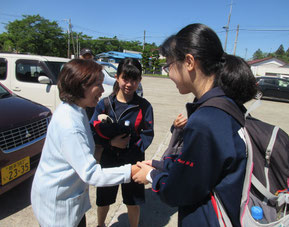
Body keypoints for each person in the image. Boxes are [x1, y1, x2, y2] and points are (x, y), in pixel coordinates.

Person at [132, 23, 257, 227]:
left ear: (189, 62)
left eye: (169, 65)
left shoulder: (206, 120)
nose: (169, 74)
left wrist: (151, 175)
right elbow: (201, 167)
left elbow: (179, 191)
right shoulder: (226, 106)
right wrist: (158, 164)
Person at [31, 59, 139, 227]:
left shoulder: (77, 109)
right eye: (99, 84)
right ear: (81, 85)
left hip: (70, 196)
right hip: (57, 206)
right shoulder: (70, 124)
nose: (103, 90)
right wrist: (131, 171)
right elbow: (91, 174)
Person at [90, 58, 154, 227]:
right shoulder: (104, 104)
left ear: (140, 80)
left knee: (132, 200)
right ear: (117, 77)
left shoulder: (144, 106)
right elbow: (92, 130)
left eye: (134, 79)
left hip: (133, 161)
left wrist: (131, 149)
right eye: (125, 78)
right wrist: (110, 143)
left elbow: (147, 134)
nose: (129, 84)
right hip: (108, 158)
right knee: (104, 197)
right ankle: (101, 224)